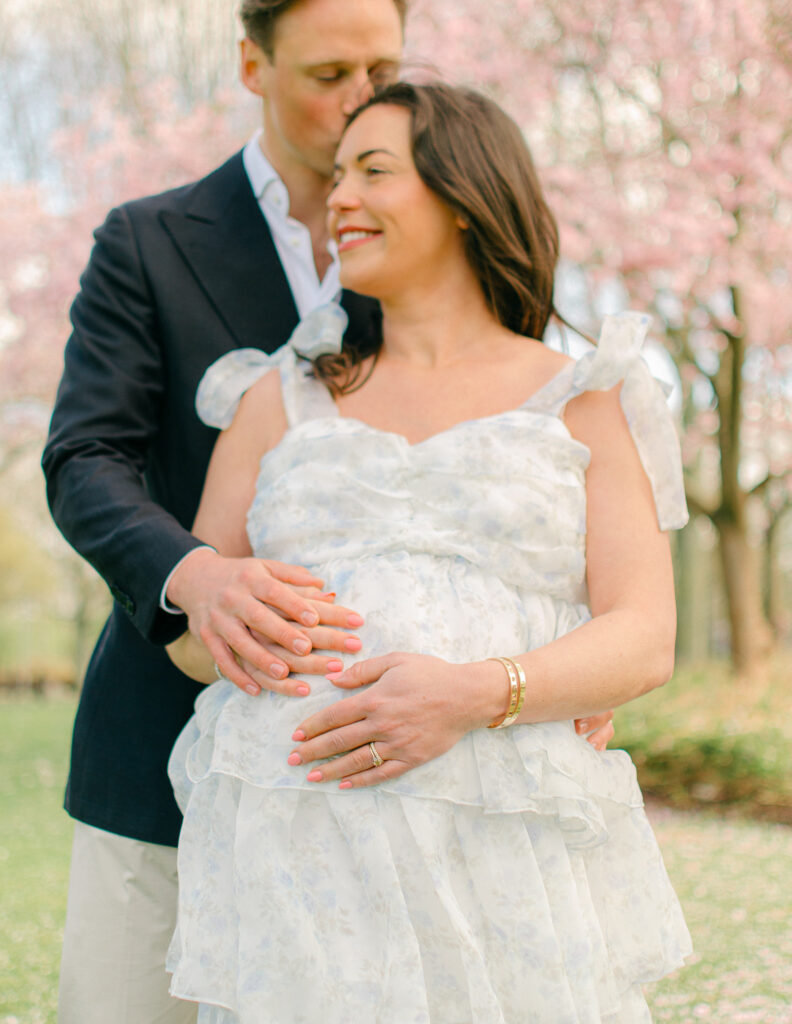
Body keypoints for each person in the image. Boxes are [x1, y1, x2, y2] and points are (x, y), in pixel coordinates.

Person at [42, 1, 611, 1018]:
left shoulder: (435, 253)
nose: (361, 96)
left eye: (382, 65)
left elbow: (510, 473)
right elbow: (86, 457)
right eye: (329, 72)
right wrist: (194, 575)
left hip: (439, 792)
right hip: (172, 742)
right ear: (254, 65)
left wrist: (541, 660)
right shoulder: (147, 241)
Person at [165, 82, 692, 1023]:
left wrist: (479, 690)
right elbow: (192, 633)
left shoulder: (587, 395)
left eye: (374, 171)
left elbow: (646, 634)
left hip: (507, 850)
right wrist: (235, 622)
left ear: (462, 195)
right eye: (334, 178)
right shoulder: (274, 396)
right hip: (306, 859)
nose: (339, 198)